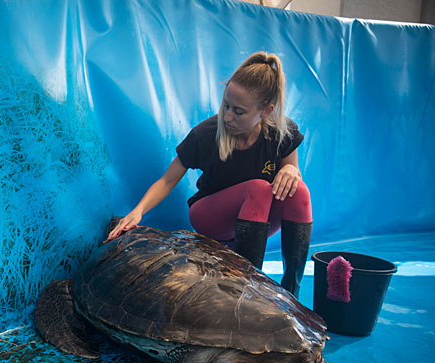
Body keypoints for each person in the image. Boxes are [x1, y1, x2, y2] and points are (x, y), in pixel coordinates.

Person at [105, 52, 312, 298]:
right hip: (212, 218)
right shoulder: (206, 134)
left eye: (239, 111)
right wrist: (137, 211)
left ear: (266, 111)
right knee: (258, 188)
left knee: (299, 191)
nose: (227, 116)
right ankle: (245, 291)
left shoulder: (282, 132)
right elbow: (167, 180)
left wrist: (291, 169)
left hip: (256, 221)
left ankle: (292, 292)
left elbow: (292, 174)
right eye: (226, 105)